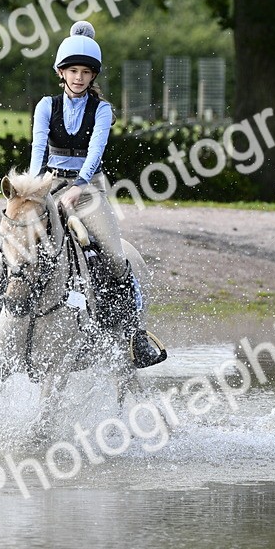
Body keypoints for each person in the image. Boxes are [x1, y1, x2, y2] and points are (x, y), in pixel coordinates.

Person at [25, 20, 166, 368]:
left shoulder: (101, 110)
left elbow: (94, 153)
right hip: (49, 185)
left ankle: (134, 335)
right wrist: (33, 189)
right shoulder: (46, 106)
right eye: (73, 71)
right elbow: (38, 151)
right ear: (61, 72)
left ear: (93, 76)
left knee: (115, 257)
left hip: (88, 190)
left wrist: (78, 186)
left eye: (86, 72)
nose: (79, 77)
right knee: (13, 241)